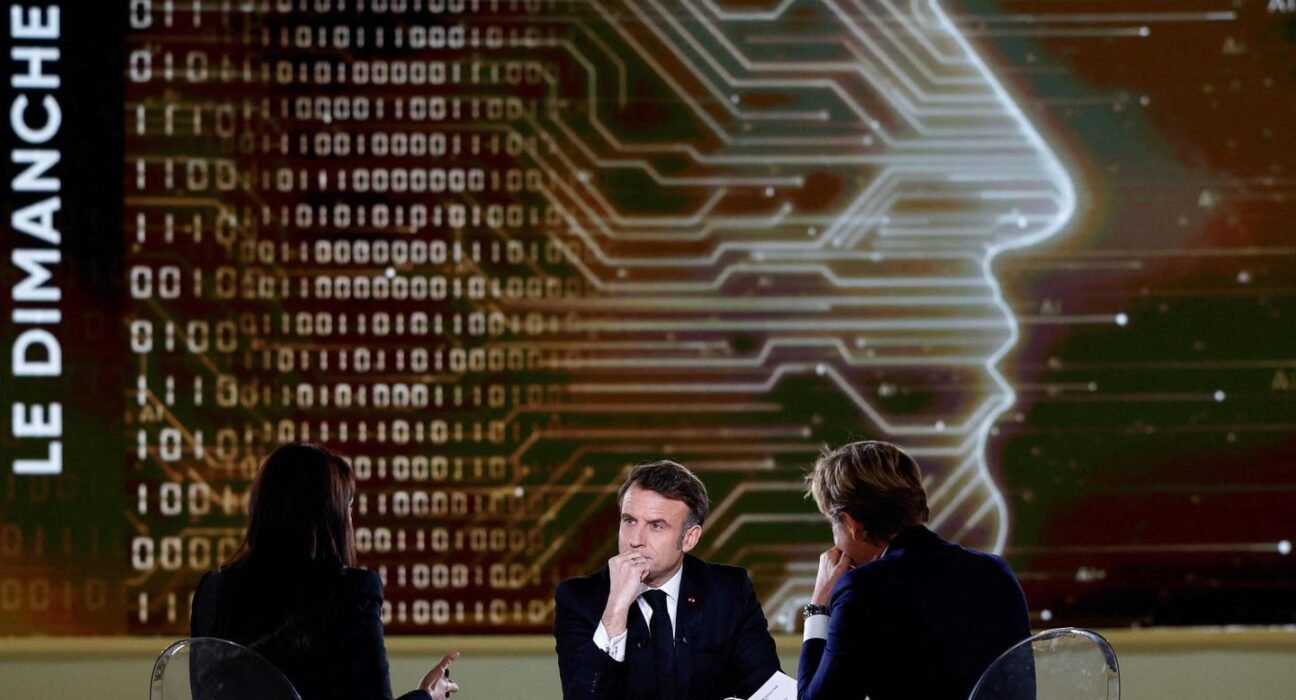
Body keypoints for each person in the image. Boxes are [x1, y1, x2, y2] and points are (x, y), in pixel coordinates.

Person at [191, 443, 460, 700]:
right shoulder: (352, 591)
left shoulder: (213, 590)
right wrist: (426, 695)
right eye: (348, 505)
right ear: (330, 514)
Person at [798, 441, 1031, 700]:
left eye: (833, 523)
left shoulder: (863, 590)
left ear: (850, 523)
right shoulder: (996, 571)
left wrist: (818, 606)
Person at [554, 460, 781, 700]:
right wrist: (616, 608)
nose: (635, 540)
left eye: (656, 526)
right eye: (629, 520)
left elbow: (769, 691)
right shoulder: (579, 599)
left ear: (689, 538)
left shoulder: (729, 591)